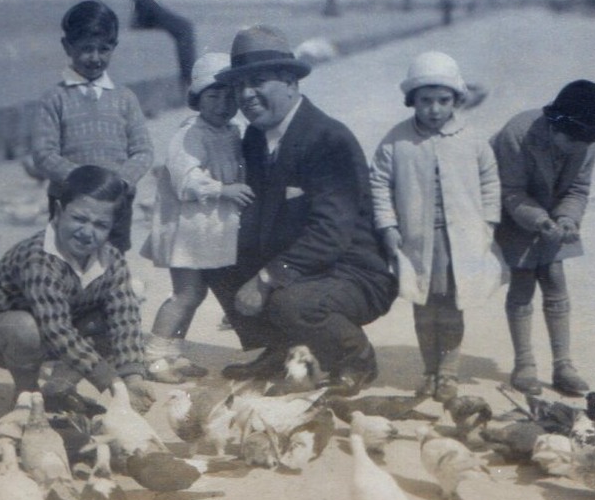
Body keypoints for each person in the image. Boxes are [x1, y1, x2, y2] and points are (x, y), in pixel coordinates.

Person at [205, 25, 396, 397]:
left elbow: (332, 233)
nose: (246, 94)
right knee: (213, 254)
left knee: (291, 302)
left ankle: (355, 359)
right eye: (239, 85)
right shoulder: (257, 138)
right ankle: (280, 349)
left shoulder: (328, 139)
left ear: (291, 82)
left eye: (258, 81)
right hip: (302, 267)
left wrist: (263, 279)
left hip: (353, 272)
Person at [0, 165, 155, 415]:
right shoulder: (39, 257)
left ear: (111, 228)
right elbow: (56, 329)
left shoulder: (112, 259)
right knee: (25, 329)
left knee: (112, 318)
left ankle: (57, 391)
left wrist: (132, 378)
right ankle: (27, 396)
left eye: (100, 225)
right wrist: (111, 381)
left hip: (58, 324)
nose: (87, 232)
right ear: (58, 211)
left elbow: (125, 316)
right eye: (79, 218)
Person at [368, 51, 500, 402]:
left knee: (453, 308)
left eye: (443, 100)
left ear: (457, 100)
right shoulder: (397, 140)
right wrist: (387, 224)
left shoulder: (472, 139)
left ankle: (449, 374)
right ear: (412, 101)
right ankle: (429, 371)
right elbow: (379, 183)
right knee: (424, 309)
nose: (435, 109)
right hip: (417, 239)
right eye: (425, 101)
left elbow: (490, 182)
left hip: (462, 239)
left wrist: (488, 223)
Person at [137, 52, 256, 384]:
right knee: (185, 294)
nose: (222, 104)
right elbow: (185, 180)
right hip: (187, 231)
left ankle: (173, 352)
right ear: (197, 99)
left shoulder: (231, 131)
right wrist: (224, 189)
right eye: (213, 96)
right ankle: (154, 355)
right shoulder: (190, 133)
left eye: (229, 96)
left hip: (206, 230)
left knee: (196, 295)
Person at [490, 79, 595, 396]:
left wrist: (568, 219)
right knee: (524, 279)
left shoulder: (587, 141)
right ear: (554, 123)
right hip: (513, 208)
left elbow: (577, 189)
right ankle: (525, 364)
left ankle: (563, 366)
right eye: (570, 139)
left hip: (553, 210)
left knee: (555, 276)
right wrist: (539, 219)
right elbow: (510, 190)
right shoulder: (517, 133)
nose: (575, 147)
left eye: (582, 142)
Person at [30, 0, 154, 253]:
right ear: (67, 46)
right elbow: (44, 154)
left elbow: (143, 151)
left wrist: (120, 182)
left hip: (116, 203)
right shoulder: (55, 98)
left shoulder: (125, 98)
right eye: (86, 48)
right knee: (65, 264)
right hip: (69, 203)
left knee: (111, 265)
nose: (95, 58)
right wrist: (83, 183)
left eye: (104, 49)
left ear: (114, 47)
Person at [124, 0, 198, 92]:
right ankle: (189, 91)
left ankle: (189, 92)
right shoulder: (145, 1)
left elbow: (138, 24)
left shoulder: (143, 3)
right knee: (187, 62)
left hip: (182, 30)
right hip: (183, 28)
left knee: (186, 62)